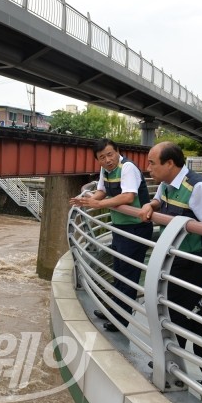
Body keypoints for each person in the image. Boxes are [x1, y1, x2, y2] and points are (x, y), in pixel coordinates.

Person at [138, 141, 202, 390]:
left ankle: (184, 366)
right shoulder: (167, 184)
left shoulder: (197, 188)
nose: (148, 168)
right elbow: (158, 201)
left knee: (185, 314)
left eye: (152, 163)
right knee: (187, 314)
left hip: (191, 263)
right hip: (173, 259)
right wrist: (149, 205)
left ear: (170, 163)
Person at [70, 138, 152, 332]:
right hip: (119, 227)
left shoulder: (127, 168)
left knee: (128, 276)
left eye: (110, 154)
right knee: (118, 272)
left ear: (117, 151)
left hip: (136, 229)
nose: (107, 160)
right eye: (102, 157)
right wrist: (87, 200)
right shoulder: (105, 171)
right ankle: (113, 310)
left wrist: (99, 204)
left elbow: (128, 196)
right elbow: (101, 190)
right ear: (98, 160)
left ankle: (121, 319)